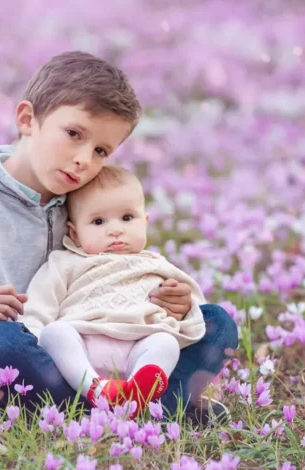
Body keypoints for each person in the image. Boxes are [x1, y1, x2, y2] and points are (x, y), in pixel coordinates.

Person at [0, 51, 237, 424]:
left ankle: (106, 408)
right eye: (74, 134)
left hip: (87, 357)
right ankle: (155, 409)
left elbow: (110, 277)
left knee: (216, 323)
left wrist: (173, 306)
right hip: (2, 370)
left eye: (101, 151)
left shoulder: (80, 199)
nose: (84, 160)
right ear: (27, 119)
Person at [22, 165, 206, 418]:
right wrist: (34, 343)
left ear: (145, 222)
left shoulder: (156, 264)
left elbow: (197, 310)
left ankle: (136, 393)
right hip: (82, 349)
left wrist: (183, 307)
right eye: (98, 221)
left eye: (127, 218)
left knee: (166, 343)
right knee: (55, 333)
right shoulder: (65, 263)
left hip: (137, 350)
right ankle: (96, 390)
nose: (115, 230)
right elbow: (37, 307)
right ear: (75, 232)